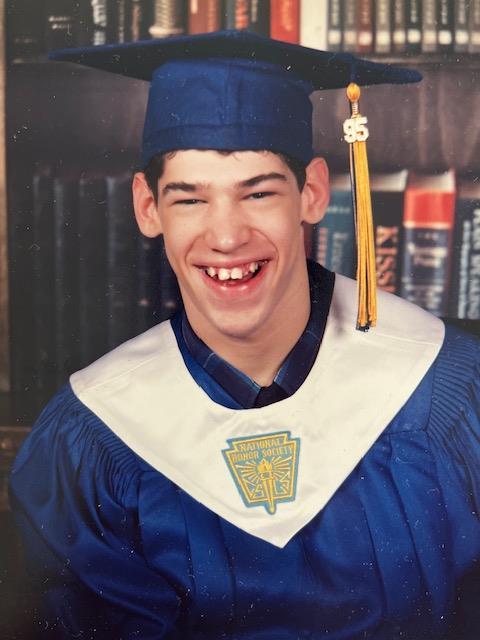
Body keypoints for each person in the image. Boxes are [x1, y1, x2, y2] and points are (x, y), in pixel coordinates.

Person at [9, 31, 480, 640]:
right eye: (190, 199)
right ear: (147, 208)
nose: (226, 236)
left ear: (311, 193)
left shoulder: (451, 394)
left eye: (258, 193)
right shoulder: (93, 442)